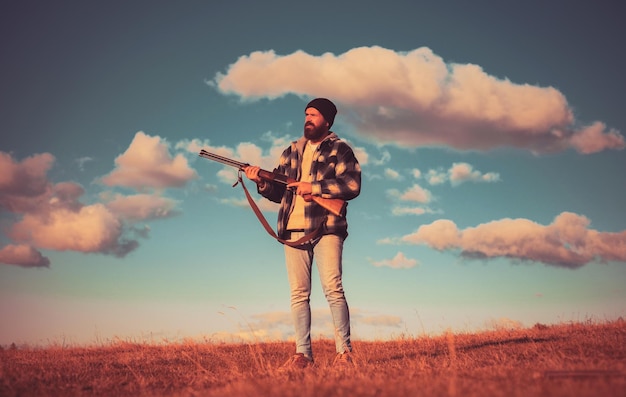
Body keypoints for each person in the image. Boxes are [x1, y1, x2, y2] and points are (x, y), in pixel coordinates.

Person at [244, 98, 361, 370]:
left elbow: (352, 184)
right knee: (298, 293)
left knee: (333, 289)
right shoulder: (292, 150)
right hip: (294, 229)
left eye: (314, 115)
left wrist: (315, 188)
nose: (308, 118)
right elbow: (278, 192)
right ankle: (302, 356)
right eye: (307, 114)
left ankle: (345, 354)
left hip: (327, 227)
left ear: (327, 121)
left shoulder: (340, 149)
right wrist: (261, 181)